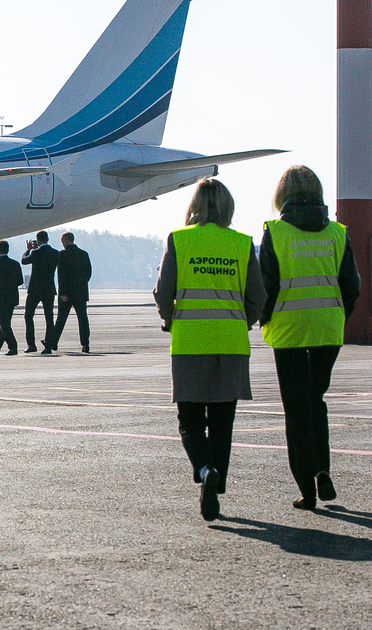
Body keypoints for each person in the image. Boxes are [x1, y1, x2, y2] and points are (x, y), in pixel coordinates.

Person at [154, 179, 266, 521]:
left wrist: (170, 318)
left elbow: (163, 292)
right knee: (222, 421)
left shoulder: (179, 240)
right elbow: (257, 296)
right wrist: (242, 320)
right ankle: (216, 482)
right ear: (228, 207)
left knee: (189, 420)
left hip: (189, 341)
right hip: (230, 342)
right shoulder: (241, 244)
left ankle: (204, 471)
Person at [259, 165, 361, 511]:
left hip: (288, 330)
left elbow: (267, 286)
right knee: (315, 400)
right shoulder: (337, 232)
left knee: (295, 409)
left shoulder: (276, 232)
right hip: (327, 329)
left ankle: (307, 488)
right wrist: (337, 316)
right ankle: (322, 470)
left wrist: (265, 319)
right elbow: (352, 285)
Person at [45, 231, 92, 353]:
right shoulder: (83, 254)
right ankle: (85, 344)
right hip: (81, 292)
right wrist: (81, 285)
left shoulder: (63, 254)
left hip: (67, 293)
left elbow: (62, 276)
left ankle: (53, 342)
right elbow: (88, 273)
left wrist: (62, 294)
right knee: (82, 319)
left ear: (65, 241)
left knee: (61, 319)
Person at [21, 230, 59, 353]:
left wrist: (28, 249)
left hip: (35, 290)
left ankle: (31, 344)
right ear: (47, 239)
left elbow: (24, 261)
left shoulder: (35, 253)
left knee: (29, 316)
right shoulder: (55, 253)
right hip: (49, 289)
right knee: (49, 318)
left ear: (37, 240)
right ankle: (48, 345)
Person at [0, 240, 24, 355]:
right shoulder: (15, 264)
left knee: (4, 324)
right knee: (5, 323)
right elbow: (20, 281)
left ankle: (13, 347)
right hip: (11, 298)